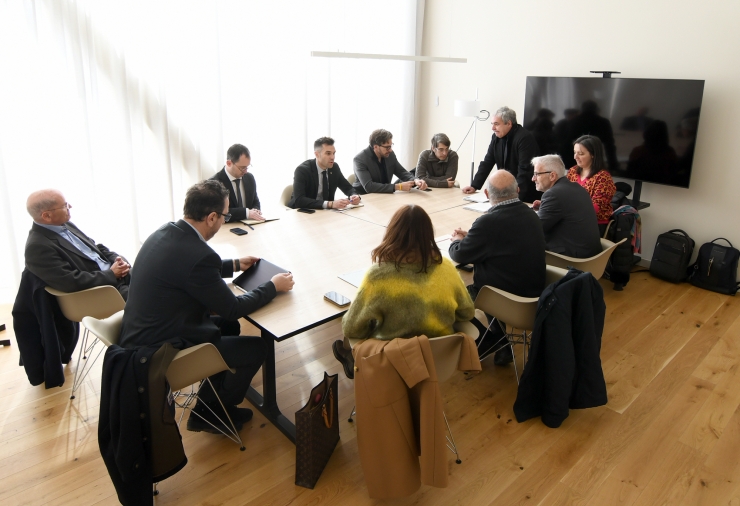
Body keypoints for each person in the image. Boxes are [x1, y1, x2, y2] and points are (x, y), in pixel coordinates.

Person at [119, 180, 295, 434]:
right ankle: (212, 413)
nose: (224, 220)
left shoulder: (166, 231)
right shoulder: (199, 254)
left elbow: (186, 268)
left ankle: (211, 399)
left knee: (228, 327)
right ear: (212, 217)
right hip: (161, 351)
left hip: (143, 330)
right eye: (224, 216)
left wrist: (234, 264)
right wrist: (272, 286)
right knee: (257, 347)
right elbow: (232, 307)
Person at [332, 204, 474, 377]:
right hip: (438, 362)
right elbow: (467, 313)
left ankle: (351, 359)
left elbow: (352, 329)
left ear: (392, 233)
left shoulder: (377, 276)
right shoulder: (446, 268)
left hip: (393, 366)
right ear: (428, 234)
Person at [449, 170, 546, 364]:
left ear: (486, 194)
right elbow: (505, 241)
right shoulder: (532, 214)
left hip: (502, 297)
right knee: (498, 274)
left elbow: (459, 254)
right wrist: (474, 236)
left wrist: (457, 240)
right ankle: (501, 345)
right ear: (517, 190)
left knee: (452, 299)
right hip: (534, 298)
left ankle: (492, 341)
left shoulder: (488, 222)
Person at [24, 189, 131, 300]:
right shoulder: (37, 247)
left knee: (149, 275)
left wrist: (117, 260)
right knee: (147, 298)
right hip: (104, 290)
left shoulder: (65, 224)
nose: (70, 206)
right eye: (64, 206)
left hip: (118, 277)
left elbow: (94, 248)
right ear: (47, 216)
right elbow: (69, 282)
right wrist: (111, 274)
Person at [462, 106, 540, 203]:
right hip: (507, 191)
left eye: (496, 124)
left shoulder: (524, 138)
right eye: (492, 124)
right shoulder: (496, 137)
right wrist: (474, 185)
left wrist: (516, 198)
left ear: (509, 123)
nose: (493, 128)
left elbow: (525, 171)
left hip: (525, 194)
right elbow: (487, 162)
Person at [531, 155, 602, 258]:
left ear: (552, 176)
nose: (533, 179)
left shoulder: (553, 194)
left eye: (536, 174)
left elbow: (535, 229)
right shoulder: (577, 187)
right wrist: (544, 207)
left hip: (573, 260)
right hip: (591, 255)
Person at [288, 137, 361, 209]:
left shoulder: (334, 167)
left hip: (324, 212)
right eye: (328, 153)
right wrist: (330, 204)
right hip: (302, 212)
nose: (332, 157)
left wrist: (354, 195)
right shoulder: (302, 170)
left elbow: (347, 188)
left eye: (333, 153)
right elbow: (299, 200)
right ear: (317, 154)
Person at [352, 129, 428, 194]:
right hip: (364, 198)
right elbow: (369, 187)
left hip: (385, 195)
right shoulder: (360, 159)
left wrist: (416, 180)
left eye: (391, 146)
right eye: (387, 147)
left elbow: (401, 172)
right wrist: (398, 187)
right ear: (376, 147)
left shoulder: (389, 155)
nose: (390, 150)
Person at [567, 135, 616, 234]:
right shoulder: (573, 171)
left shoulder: (603, 178)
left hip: (594, 224)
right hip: (571, 219)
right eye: (575, 152)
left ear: (593, 155)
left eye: (580, 153)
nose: (575, 157)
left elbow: (594, 208)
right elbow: (562, 194)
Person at [210, 143, 264, 222]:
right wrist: (247, 213)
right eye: (242, 168)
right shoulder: (214, 183)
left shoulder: (249, 178)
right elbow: (219, 213)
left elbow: (255, 201)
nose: (245, 172)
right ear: (229, 163)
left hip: (250, 226)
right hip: (227, 229)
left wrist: (256, 211)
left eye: (247, 167)